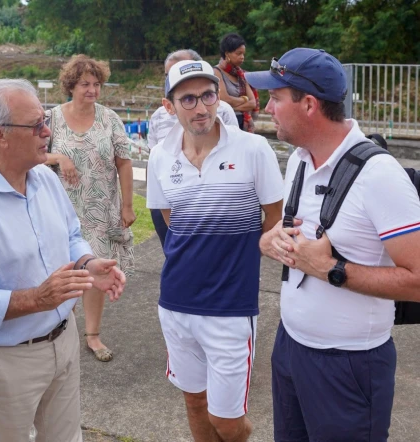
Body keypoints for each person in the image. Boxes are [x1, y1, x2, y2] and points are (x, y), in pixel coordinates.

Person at [0, 79, 127, 442]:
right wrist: (36, 299)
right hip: (6, 360)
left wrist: (87, 263)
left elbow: (70, 235)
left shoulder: (44, 180)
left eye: (45, 120)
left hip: (63, 341)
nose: (47, 131)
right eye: (36, 124)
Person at [248, 48, 420, 441]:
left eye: (276, 97)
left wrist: (330, 269)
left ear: (308, 104)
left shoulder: (379, 176)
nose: (266, 107)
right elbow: (294, 238)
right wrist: (269, 240)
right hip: (291, 348)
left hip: (350, 365)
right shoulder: (299, 160)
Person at [147, 59, 284, 442]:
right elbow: (172, 220)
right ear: (169, 106)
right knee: (193, 405)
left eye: (208, 95)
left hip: (230, 307)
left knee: (226, 420)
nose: (201, 107)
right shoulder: (161, 156)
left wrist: (236, 252)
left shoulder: (253, 149)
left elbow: (274, 217)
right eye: (187, 99)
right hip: (175, 302)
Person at [44, 54, 135, 362]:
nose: (92, 90)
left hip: (100, 209)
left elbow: (124, 161)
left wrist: (127, 205)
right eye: (85, 84)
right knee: (65, 270)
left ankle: (93, 336)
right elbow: (32, 156)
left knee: (96, 271)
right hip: (62, 209)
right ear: (71, 86)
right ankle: (59, 329)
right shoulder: (52, 118)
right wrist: (60, 158)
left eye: (96, 84)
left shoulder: (110, 118)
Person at [148, 49, 238, 247]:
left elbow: (234, 151)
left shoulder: (223, 111)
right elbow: (155, 164)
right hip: (171, 201)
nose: (200, 108)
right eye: (167, 75)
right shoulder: (157, 117)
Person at [213, 33, 257, 132]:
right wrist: (244, 99)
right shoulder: (216, 72)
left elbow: (253, 103)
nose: (242, 57)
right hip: (225, 124)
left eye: (243, 54)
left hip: (242, 123)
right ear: (227, 53)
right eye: (238, 53)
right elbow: (224, 100)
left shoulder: (241, 74)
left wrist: (232, 108)